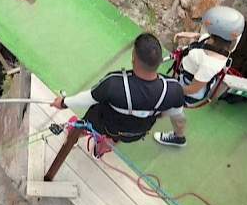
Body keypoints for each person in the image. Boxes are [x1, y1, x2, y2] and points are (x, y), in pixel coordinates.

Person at [43, 33, 185, 181]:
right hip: (134, 133)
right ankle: (100, 150)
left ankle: (76, 134)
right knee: (115, 136)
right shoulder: (173, 90)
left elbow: (87, 99)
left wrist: (64, 102)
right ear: (160, 61)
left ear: (134, 59)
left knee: (87, 123)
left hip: (104, 124)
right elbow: (175, 115)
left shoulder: (114, 83)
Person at [154, 5, 245, 147]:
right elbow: (202, 38)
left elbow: (193, 89)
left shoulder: (210, 64)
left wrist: (172, 90)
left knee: (175, 111)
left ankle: (178, 137)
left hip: (188, 88)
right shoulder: (224, 43)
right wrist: (187, 34)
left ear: (215, 36)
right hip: (185, 78)